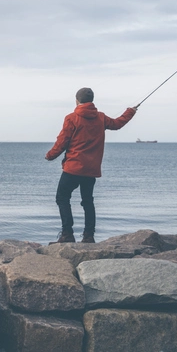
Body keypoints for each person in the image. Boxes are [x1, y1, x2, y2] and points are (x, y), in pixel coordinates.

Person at [45, 87, 137, 244]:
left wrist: (50, 156)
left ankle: (67, 234)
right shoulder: (100, 118)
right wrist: (130, 111)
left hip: (73, 168)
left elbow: (62, 142)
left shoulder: (71, 118)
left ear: (77, 100)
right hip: (91, 170)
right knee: (87, 201)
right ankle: (89, 236)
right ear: (92, 100)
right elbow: (117, 123)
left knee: (62, 198)